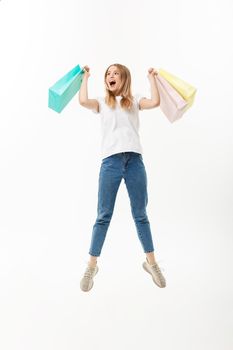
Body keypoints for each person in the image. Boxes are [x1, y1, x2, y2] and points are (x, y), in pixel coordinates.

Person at [78, 63, 166, 292]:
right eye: (108, 73)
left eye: (116, 73)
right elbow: (82, 101)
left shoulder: (135, 100)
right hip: (111, 163)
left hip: (135, 161)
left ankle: (152, 263)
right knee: (103, 215)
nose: (111, 76)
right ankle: (91, 266)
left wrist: (152, 79)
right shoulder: (101, 102)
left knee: (141, 214)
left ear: (124, 78)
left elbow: (155, 102)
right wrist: (85, 77)